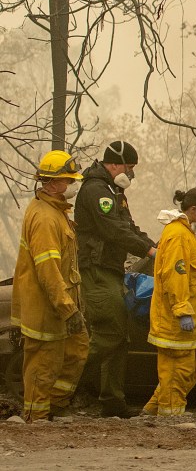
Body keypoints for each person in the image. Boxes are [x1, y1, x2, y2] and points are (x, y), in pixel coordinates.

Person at [74, 140, 156, 417]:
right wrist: (146, 249)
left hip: (110, 269)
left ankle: (113, 403)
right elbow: (111, 230)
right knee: (111, 331)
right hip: (95, 269)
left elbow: (128, 227)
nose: (131, 173)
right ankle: (65, 384)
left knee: (121, 337)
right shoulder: (97, 191)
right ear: (114, 164)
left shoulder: (113, 191)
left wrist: (156, 245)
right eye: (129, 167)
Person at [12, 150, 90, 422]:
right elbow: (48, 270)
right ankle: (36, 417)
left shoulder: (55, 211)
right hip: (48, 308)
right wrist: (67, 309)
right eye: (69, 181)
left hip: (61, 304)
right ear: (54, 183)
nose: (72, 186)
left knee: (77, 349)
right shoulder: (45, 218)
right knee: (43, 364)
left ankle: (56, 406)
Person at [143, 188, 196, 416]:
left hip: (195, 317)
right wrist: (182, 310)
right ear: (193, 210)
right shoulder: (177, 236)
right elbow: (175, 276)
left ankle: (152, 412)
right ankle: (169, 419)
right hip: (176, 320)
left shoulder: (191, 234)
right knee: (177, 371)